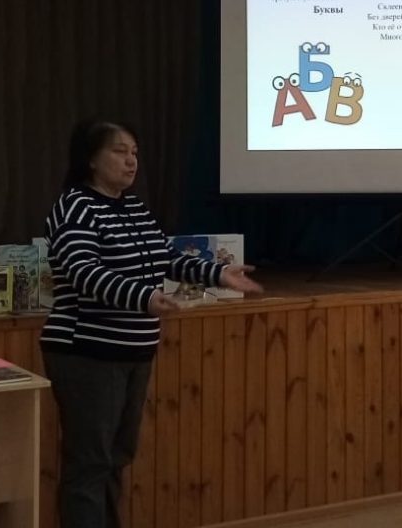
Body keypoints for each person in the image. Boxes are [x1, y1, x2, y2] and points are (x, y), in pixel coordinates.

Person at [40, 119, 263, 528]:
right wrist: (143, 297)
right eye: (119, 151)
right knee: (90, 462)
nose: (131, 161)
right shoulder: (75, 207)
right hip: (87, 351)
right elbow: (83, 272)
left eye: (135, 153)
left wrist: (217, 273)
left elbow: (165, 258)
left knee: (118, 456)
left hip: (135, 349)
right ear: (91, 159)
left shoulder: (134, 208)